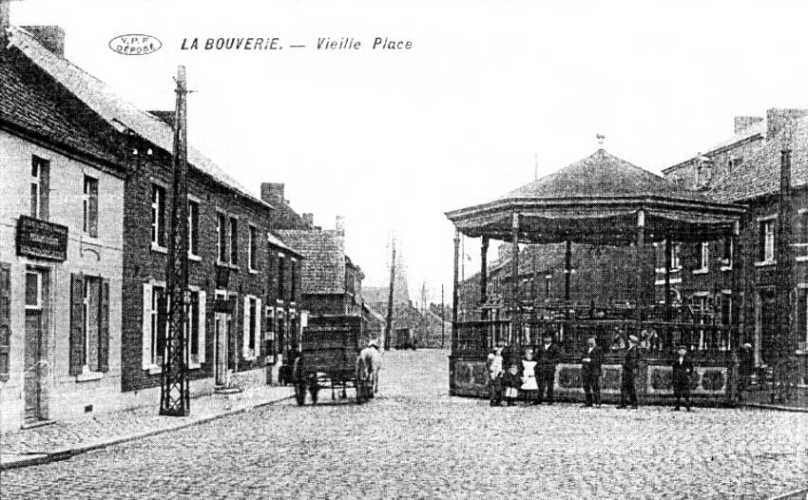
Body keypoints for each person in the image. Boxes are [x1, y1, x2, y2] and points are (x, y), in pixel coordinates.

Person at [535, 333, 560, 404]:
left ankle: (550, 400)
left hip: (550, 368)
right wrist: (540, 361)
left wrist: (549, 361)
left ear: (551, 339)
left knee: (550, 384)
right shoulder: (541, 347)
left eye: (548, 338)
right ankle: (539, 399)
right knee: (541, 384)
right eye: (545, 338)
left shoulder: (555, 347)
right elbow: (536, 356)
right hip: (541, 368)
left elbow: (558, 358)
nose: (547, 339)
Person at [617, 334, 640, 409]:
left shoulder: (633, 350)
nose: (628, 342)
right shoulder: (631, 349)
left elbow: (633, 362)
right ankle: (624, 403)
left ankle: (634, 403)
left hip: (629, 371)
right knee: (624, 387)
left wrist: (625, 364)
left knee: (630, 387)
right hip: (627, 371)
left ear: (632, 342)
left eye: (629, 341)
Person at [580, 336, 603, 407]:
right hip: (586, 371)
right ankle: (588, 402)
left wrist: (590, 360)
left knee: (595, 387)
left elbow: (600, 359)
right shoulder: (585, 349)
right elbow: (581, 357)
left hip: (594, 371)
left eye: (592, 340)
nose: (590, 341)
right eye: (589, 340)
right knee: (586, 386)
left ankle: (597, 402)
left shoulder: (599, 349)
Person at [672, 345, 694, 411]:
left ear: (686, 352)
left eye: (683, 350)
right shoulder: (676, 359)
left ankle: (687, 406)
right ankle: (677, 406)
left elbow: (691, 368)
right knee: (677, 392)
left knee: (686, 393)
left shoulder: (688, 359)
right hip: (677, 378)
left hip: (685, 378)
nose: (682, 352)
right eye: (680, 350)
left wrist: (688, 371)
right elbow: (674, 368)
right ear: (678, 351)